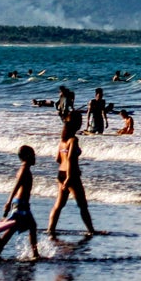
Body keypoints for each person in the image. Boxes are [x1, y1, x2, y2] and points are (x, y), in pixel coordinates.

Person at [46, 100, 95, 237]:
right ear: (75, 124)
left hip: (61, 173)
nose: (81, 122)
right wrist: (69, 177)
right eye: (80, 120)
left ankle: (51, 229)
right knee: (82, 205)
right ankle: (91, 230)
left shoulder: (62, 141)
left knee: (58, 205)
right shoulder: (73, 140)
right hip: (71, 175)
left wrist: (65, 174)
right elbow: (72, 159)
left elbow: (58, 159)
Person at [0, 146, 40, 262]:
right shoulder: (24, 169)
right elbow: (16, 186)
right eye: (33, 155)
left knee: (30, 226)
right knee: (17, 228)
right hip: (20, 204)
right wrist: (8, 202)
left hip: (23, 204)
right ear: (27, 156)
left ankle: (35, 253)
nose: (35, 157)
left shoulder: (25, 168)